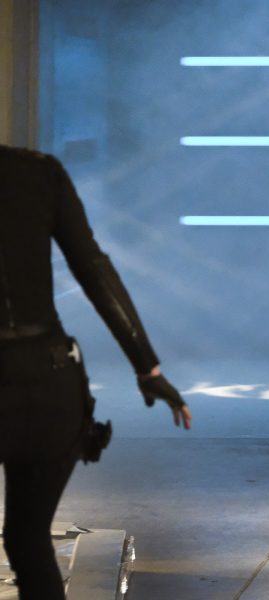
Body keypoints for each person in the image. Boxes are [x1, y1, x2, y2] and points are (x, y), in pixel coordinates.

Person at [0, 143, 192, 599]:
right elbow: (94, 270)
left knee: (26, 538)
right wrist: (147, 368)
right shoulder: (39, 172)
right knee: (29, 540)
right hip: (51, 384)